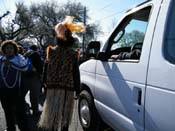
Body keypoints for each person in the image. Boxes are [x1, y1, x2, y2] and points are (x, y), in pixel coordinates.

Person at [38, 16, 85, 131]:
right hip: (60, 88)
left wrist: (43, 84)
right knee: (59, 115)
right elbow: (47, 67)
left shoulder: (63, 52)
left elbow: (75, 72)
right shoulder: (55, 51)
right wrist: (78, 89)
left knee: (59, 115)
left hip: (60, 88)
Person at [0, 40, 31, 131]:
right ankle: (10, 128)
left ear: (14, 49)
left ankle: (24, 128)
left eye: (11, 48)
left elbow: (25, 68)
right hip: (3, 90)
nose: (9, 50)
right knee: (7, 110)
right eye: (7, 48)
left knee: (20, 111)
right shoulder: (1, 60)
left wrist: (11, 64)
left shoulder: (20, 59)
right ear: (4, 50)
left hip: (17, 90)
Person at [23, 45, 44, 116]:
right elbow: (40, 66)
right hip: (34, 77)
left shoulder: (25, 54)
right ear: (36, 49)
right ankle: (35, 110)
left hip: (24, 76)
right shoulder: (35, 54)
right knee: (34, 95)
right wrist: (41, 75)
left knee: (22, 94)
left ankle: (23, 108)